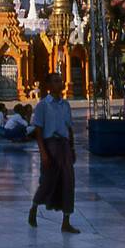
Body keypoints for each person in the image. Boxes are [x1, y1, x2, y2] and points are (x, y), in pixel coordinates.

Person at [28, 73, 79, 234]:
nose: (60, 83)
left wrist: (72, 148)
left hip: (64, 145)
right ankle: (34, 207)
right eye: (56, 81)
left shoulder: (66, 105)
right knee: (48, 181)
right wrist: (43, 152)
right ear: (49, 85)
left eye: (60, 80)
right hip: (50, 145)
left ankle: (66, 221)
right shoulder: (43, 105)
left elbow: (69, 128)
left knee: (68, 181)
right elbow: (38, 130)